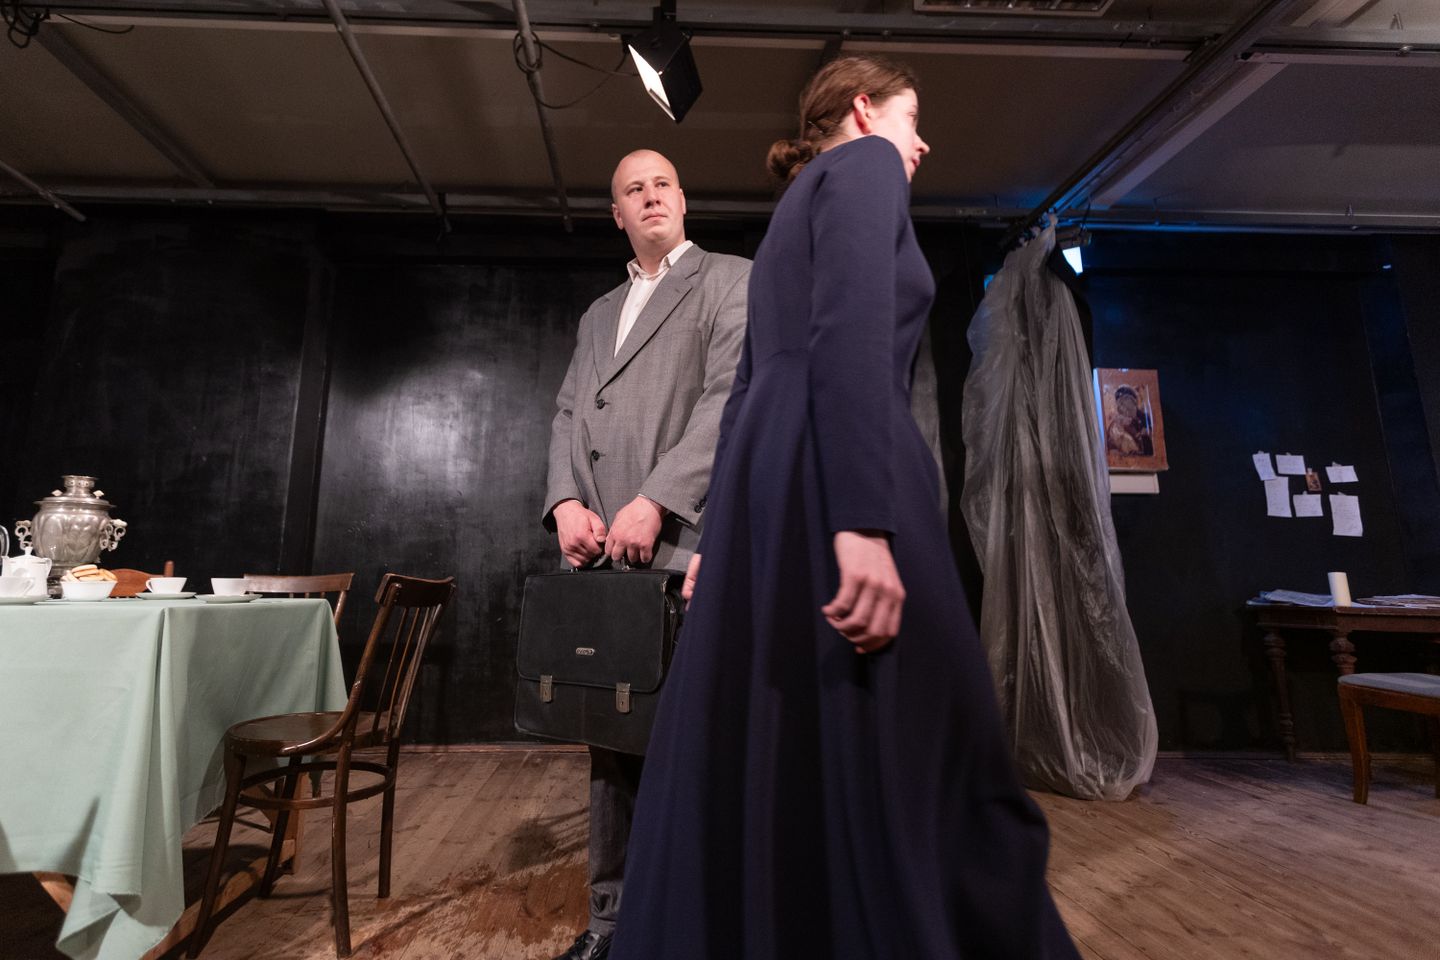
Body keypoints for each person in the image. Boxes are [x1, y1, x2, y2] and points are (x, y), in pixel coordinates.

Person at [610, 57, 1082, 959]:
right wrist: (862, 520)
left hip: (773, 469)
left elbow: (746, 389)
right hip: (840, 457)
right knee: (935, 732)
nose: (922, 143)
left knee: (795, 729)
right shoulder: (864, 165)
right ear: (864, 110)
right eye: (913, 120)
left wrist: (719, 541)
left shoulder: (789, 213)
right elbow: (853, 329)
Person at [542, 148, 750, 960]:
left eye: (662, 183)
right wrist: (564, 501)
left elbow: (729, 399)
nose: (650, 195)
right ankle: (612, 922)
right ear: (617, 214)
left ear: (683, 200)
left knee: (703, 744)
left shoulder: (731, 280)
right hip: (604, 562)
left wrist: (657, 497)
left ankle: (703, 920)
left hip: (689, 548)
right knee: (611, 751)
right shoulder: (600, 312)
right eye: (634, 189)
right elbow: (569, 412)